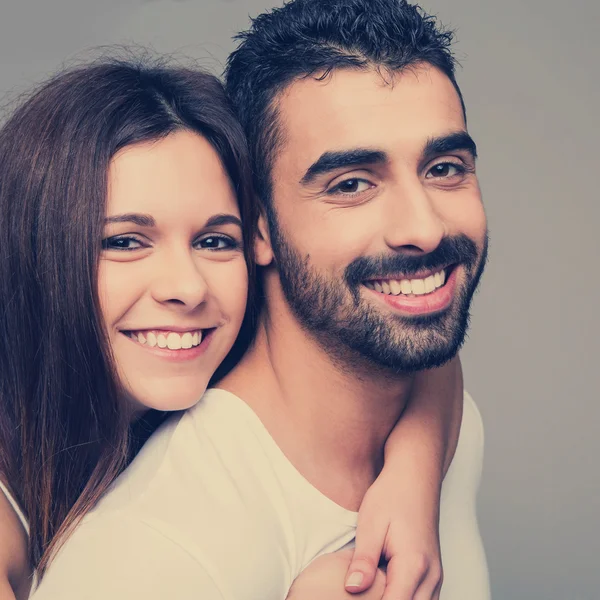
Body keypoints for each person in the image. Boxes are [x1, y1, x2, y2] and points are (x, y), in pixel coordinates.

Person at [29, 0, 491, 599]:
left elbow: (438, 374)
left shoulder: (447, 424)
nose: (424, 229)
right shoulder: (151, 550)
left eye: (445, 168)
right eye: (351, 184)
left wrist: (417, 470)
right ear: (259, 228)